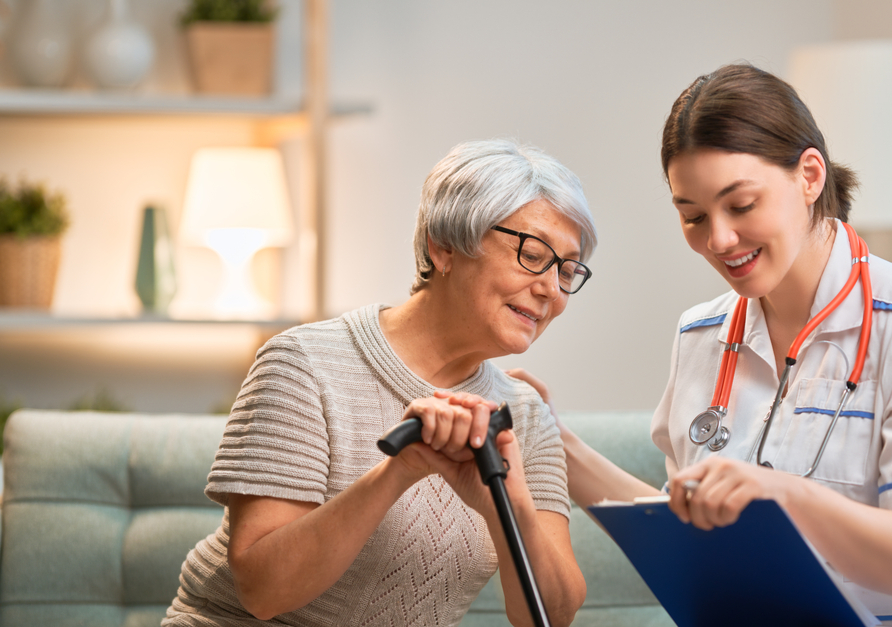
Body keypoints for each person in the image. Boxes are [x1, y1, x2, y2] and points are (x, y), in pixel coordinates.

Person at [511, 64, 892, 625]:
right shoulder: (700, 334)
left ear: (810, 176)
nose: (718, 239)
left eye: (741, 205)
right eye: (692, 216)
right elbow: (690, 530)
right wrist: (550, 439)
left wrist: (781, 496)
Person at [164, 139, 593, 627]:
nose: (551, 290)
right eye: (533, 254)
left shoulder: (525, 415)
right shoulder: (304, 363)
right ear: (444, 246)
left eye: (567, 269)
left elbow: (553, 618)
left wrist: (509, 500)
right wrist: (399, 470)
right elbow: (264, 592)